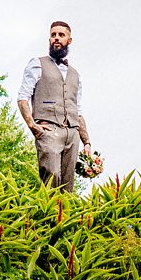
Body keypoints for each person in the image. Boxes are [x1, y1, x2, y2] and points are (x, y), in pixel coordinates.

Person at [16, 21, 91, 192]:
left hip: (72, 134)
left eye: (61, 35)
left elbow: (77, 110)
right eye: (53, 35)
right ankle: (48, 217)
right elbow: (22, 98)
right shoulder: (37, 64)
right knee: (51, 176)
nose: (56, 38)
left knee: (67, 187)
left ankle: (64, 218)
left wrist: (86, 142)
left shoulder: (76, 75)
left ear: (69, 40)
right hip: (48, 130)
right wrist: (32, 126)